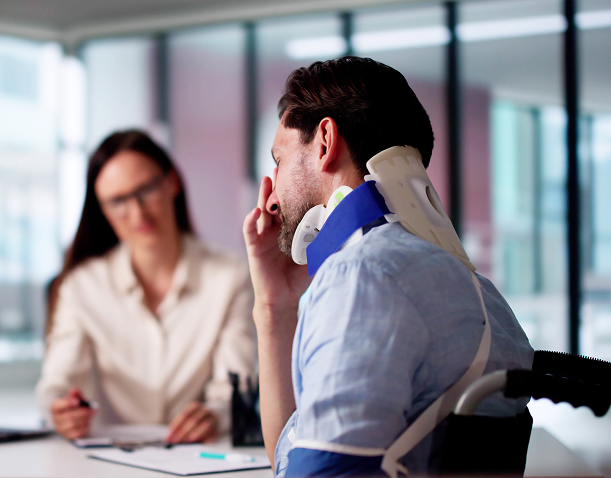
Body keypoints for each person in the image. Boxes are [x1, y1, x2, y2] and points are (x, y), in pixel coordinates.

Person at [241, 57, 533, 477]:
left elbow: (320, 472)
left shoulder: (361, 278)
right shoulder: (477, 289)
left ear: (324, 141)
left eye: (279, 160)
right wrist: (274, 304)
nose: (270, 197)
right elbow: (292, 454)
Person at [36, 130, 256, 444]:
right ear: (103, 211)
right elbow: (57, 384)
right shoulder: (81, 287)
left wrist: (215, 415)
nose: (137, 212)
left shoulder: (230, 276)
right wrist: (60, 411)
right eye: (118, 201)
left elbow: (237, 388)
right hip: (112, 460)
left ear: (172, 183)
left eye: (146, 190)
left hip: (199, 457)